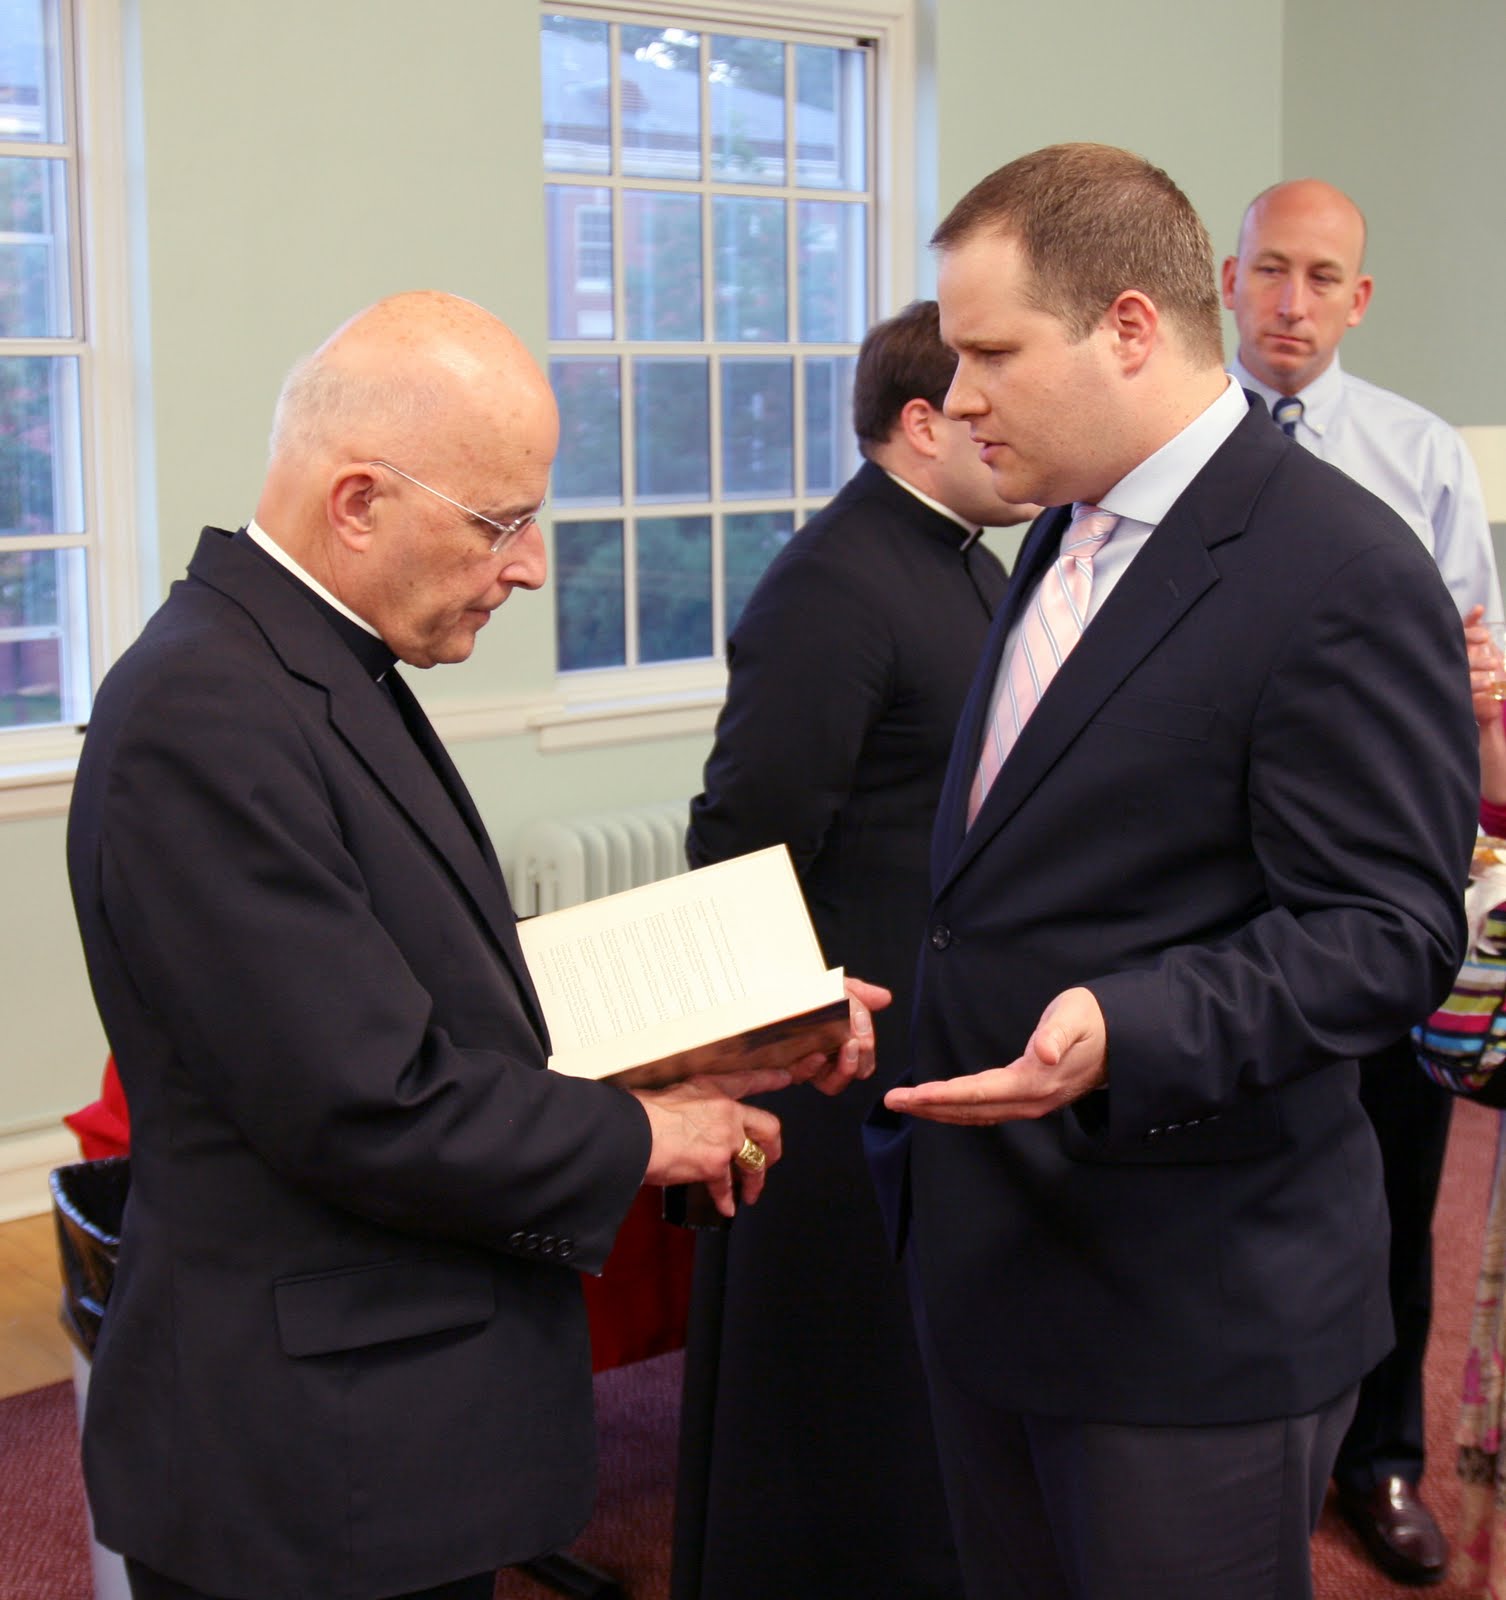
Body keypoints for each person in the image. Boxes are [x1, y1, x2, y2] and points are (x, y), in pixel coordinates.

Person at [65, 291, 883, 1600]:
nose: (530, 564)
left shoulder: (307, 664)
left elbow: (414, 984)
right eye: (500, 523)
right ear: (356, 503)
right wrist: (643, 1138)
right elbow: (359, 1100)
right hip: (306, 1456)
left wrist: (710, 1040)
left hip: (369, 1418)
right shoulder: (204, 712)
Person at [876, 143, 1478, 1600]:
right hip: (1003, 1256)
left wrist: (1124, 1028)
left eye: (990, 352)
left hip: (1186, 1301)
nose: (956, 397)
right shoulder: (1064, 531)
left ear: (1129, 328)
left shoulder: (1339, 566)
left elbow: (1387, 929)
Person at [677, 299, 1035, 1600]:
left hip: (928, 1030)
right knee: (829, 1367)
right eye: (982, 394)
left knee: (913, 1370)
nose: (1007, 423)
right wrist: (782, 1024)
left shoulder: (968, 560)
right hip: (832, 1051)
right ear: (920, 421)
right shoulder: (833, 581)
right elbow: (739, 836)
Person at [1223, 176, 1501, 1586]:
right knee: (1235, 1184)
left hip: (1376, 888)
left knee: (1393, 1183)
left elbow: (1475, 685)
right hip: (1220, 894)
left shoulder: (1413, 456)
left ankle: (1377, 1455)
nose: (1289, 303)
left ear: (1356, 298)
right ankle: (1242, 1447)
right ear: (1226, 279)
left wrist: (1479, 689)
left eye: (1319, 277)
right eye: (1269, 270)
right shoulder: (1169, 447)